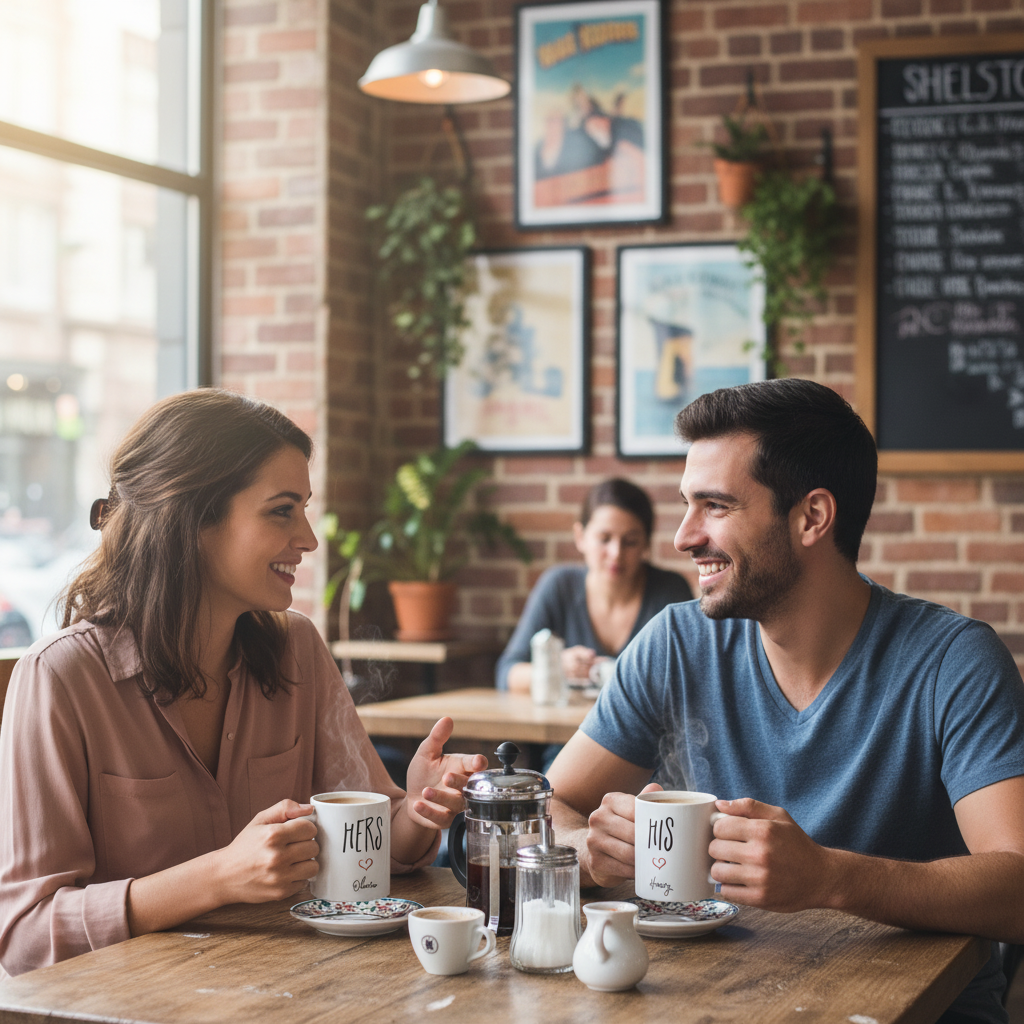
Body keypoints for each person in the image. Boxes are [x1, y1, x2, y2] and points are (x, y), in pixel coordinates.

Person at [546, 379, 1024, 1024]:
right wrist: (588, 850)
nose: (685, 537)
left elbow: (1018, 882)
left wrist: (832, 878)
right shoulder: (675, 643)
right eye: (687, 505)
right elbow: (552, 805)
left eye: (715, 505)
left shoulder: (954, 661)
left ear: (812, 517)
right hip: (711, 1002)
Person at [0, 389, 487, 977]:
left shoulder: (297, 648)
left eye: (304, 508)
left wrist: (418, 812)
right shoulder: (60, 677)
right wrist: (217, 876)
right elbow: (26, 935)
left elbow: (375, 857)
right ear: (191, 520)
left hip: (292, 990)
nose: (308, 538)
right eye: (282, 510)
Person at [496, 478, 692, 693]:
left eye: (630, 542)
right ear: (580, 537)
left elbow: (690, 676)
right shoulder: (559, 586)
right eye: (604, 539)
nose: (616, 553)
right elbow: (507, 673)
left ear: (646, 543)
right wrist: (555, 668)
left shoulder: (670, 591)